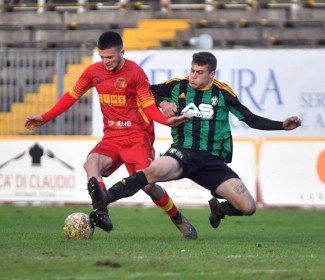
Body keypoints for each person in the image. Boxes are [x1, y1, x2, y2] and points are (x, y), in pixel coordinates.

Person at [87, 51, 302, 232]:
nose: (193, 76)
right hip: (182, 153)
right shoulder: (177, 87)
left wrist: (282, 125)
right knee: (151, 173)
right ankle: (104, 200)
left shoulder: (223, 93)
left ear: (212, 74)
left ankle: (219, 210)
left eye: (199, 73)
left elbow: (251, 119)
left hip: (212, 162)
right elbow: (146, 91)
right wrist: (163, 103)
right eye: (192, 71)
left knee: (248, 207)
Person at [24, 31, 198, 240]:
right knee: (91, 163)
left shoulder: (136, 73)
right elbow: (72, 95)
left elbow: (148, 106)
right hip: (112, 137)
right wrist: (45, 117)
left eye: (110, 57)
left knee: (149, 186)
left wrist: (165, 120)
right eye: (102, 57)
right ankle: (102, 213)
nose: (105, 62)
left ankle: (177, 217)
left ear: (122, 52)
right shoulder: (93, 72)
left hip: (137, 137)